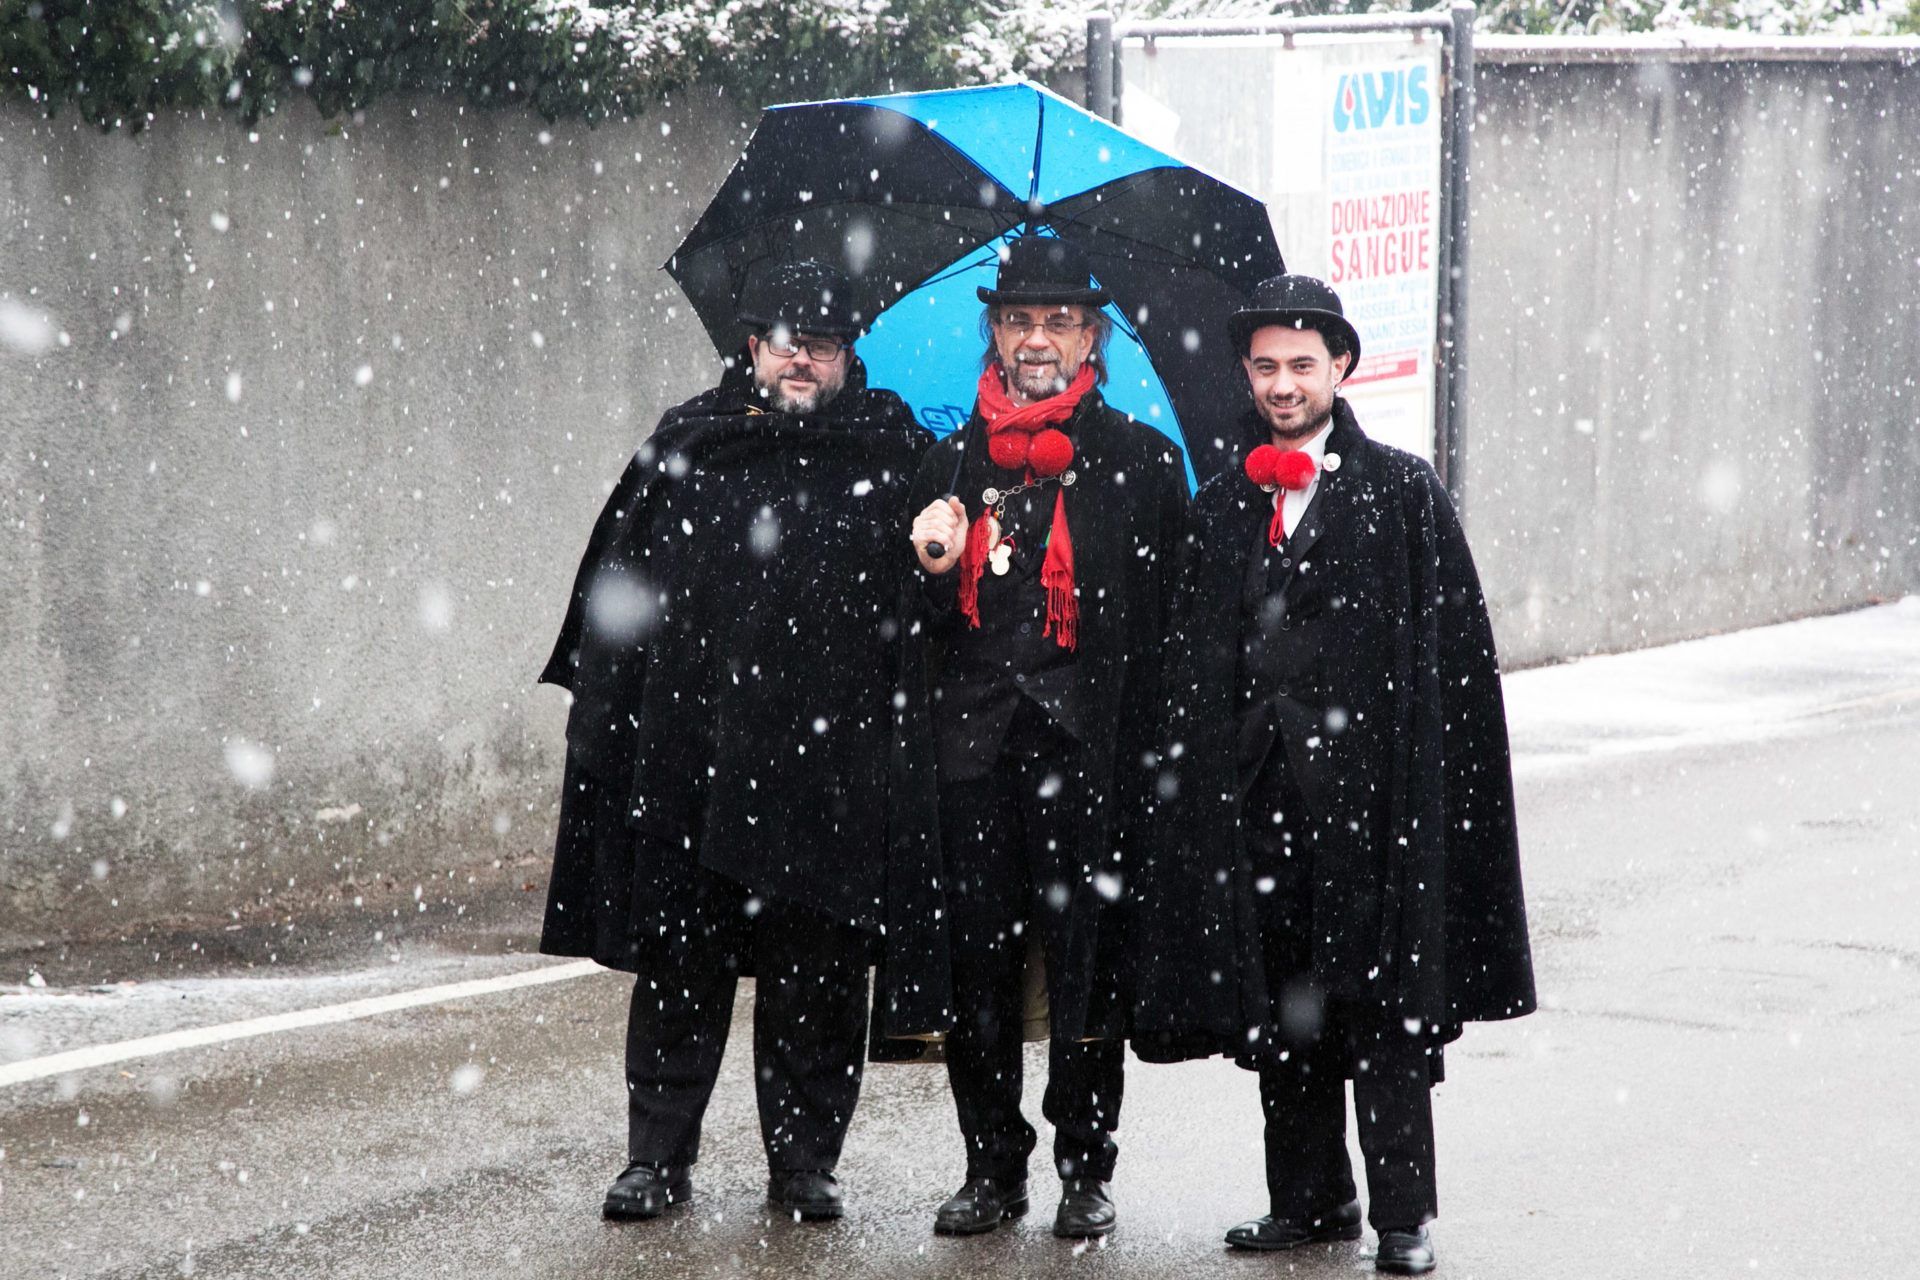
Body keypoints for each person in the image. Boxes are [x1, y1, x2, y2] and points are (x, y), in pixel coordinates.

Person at [1136, 275, 1535, 1274]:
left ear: (1340, 367)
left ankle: (1403, 1214)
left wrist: (1435, 800)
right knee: (1286, 1003)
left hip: (1370, 800)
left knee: (1381, 1006)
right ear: (1247, 372)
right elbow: (1192, 661)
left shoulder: (1401, 493)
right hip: (1255, 796)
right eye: (1266, 366)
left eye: (1302, 365)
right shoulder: (1221, 504)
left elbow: (1455, 661)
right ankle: (1310, 1201)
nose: (1283, 383)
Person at [537, 260, 946, 1224]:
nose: (802, 360)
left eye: (822, 344)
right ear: (752, 346)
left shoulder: (895, 452)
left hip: (833, 770)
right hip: (699, 759)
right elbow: (621, 593)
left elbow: (931, 609)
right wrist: (619, 725)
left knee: (820, 975)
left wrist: (936, 556)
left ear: (848, 353)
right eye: (785, 341)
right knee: (681, 967)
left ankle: (804, 1165)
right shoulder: (692, 442)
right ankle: (655, 1157)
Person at [907, 234, 1187, 1240]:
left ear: (1092, 339)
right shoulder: (946, 462)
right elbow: (907, 634)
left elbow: (1168, 633)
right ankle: (991, 1166)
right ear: (993, 333)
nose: (1038, 339)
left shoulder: (1144, 464)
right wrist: (932, 570)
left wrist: (1158, 767)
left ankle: (1084, 1165)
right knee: (976, 966)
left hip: (1088, 755)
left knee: (1086, 963)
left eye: (1059, 321)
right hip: (970, 754)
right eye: (1019, 320)